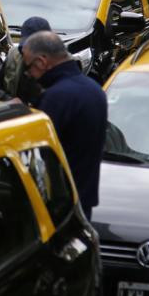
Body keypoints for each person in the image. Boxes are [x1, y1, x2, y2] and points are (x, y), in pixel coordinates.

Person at [23, 31, 107, 220]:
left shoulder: (56, 98)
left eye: (29, 68)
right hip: (84, 199)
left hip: (59, 207)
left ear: (42, 62)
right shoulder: (95, 90)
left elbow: (37, 154)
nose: (29, 75)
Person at [0, 16, 49, 105]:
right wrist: (8, 100)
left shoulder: (58, 63)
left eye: (36, 46)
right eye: (27, 45)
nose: (30, 51)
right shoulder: (13, 55)